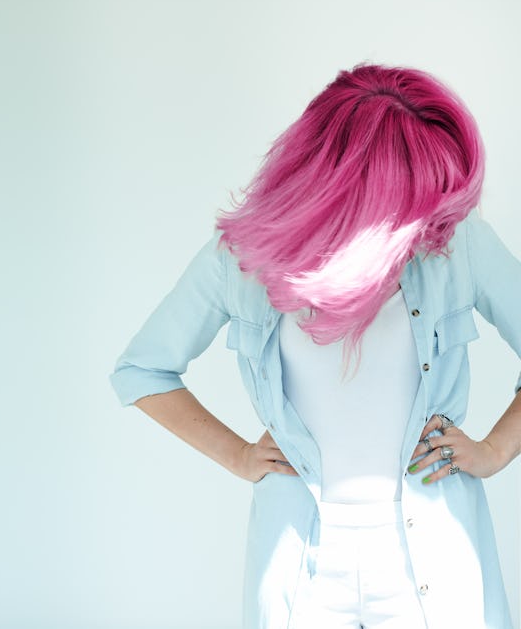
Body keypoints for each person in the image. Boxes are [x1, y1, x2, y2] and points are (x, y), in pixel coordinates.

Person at [108, 63, 521, 629]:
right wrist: (237, 455)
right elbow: (142, 370)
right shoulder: (240, 260)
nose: (424, 215)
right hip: (298, 566)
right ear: (345, 182)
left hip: (434, 558)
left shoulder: (456, 240)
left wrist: (497, 451)